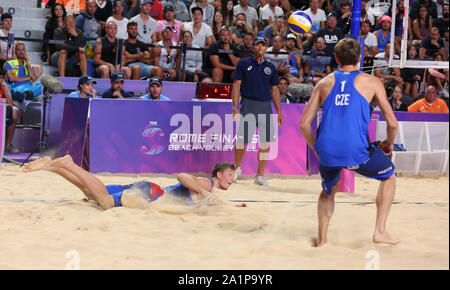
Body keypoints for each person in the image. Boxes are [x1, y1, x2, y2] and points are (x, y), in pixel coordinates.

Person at [299, 38, 400, 247]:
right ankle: (380, 231)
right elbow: (392, 122)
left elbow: (303, 125)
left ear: (336, 59)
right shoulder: (371, 82)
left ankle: (322, 240)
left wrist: (317, 149)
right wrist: (389, 143)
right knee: (389, 175)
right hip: (356, 151)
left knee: (328, 190)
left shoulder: (323, 82)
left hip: (327, 150)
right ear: (360, 58)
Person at [23, 155, 246, 210]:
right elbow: (182, 177)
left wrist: (231, 206)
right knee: (106, 203)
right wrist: (207, 194)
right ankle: (70, 164)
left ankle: (54, 167)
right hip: (152, 194)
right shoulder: (207, 184)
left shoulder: (212, 192)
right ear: (218, 174)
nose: (231, 179)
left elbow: (214, 205)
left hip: (148, 189)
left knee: (91, 194)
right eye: (228, 175)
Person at [232, 36, 283, 186]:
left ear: (266, 48)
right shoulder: (243, 63)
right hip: (248, 104)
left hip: (266, 106)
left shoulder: (271, 67)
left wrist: (279, 111)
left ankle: (259, 176)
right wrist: (235, 108)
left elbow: (275, 89)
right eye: (257, 45)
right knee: (242, 140)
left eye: (263, 45)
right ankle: (237, 168)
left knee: (265, 142)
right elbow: (236, 86)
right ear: (253, 47)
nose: (260, 48)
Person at [0, 77, 18, 153]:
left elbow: (10, 104)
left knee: (14, 111)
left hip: (2, 108)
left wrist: (6, 90)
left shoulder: (3, 86)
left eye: (2, 78)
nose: (1, 80)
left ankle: (8, 145)